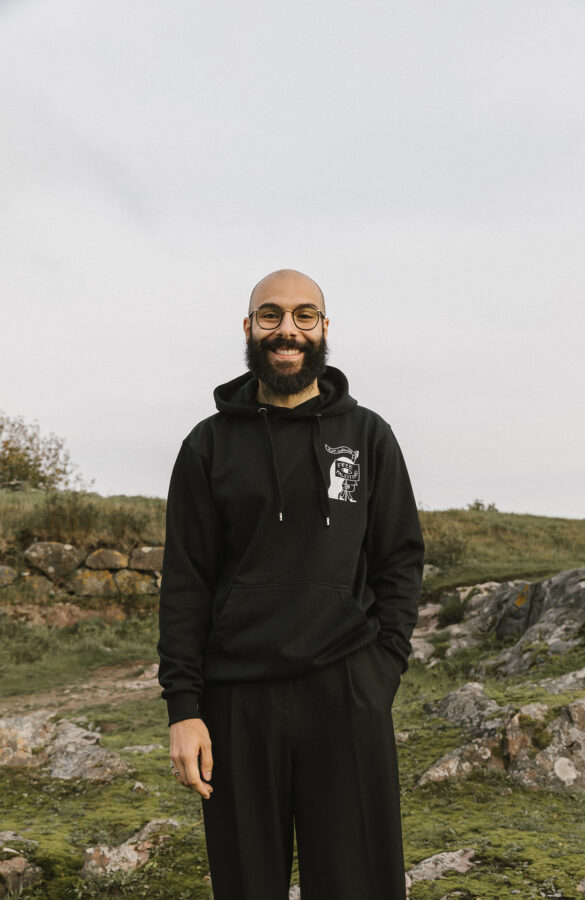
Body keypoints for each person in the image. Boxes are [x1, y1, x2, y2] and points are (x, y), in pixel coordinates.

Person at [157, 268, 425, 900]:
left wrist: (382, 666)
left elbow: (400, 559)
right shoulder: (207, 446)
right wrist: (184, 709)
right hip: (236, 702)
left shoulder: (366, 437)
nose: (288, 330)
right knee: (250, 885)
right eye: (271, 315)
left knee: (358, 882)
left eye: (305, 316)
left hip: (347, 691)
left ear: (324, 329)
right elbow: (186, 583)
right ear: (249, 328)